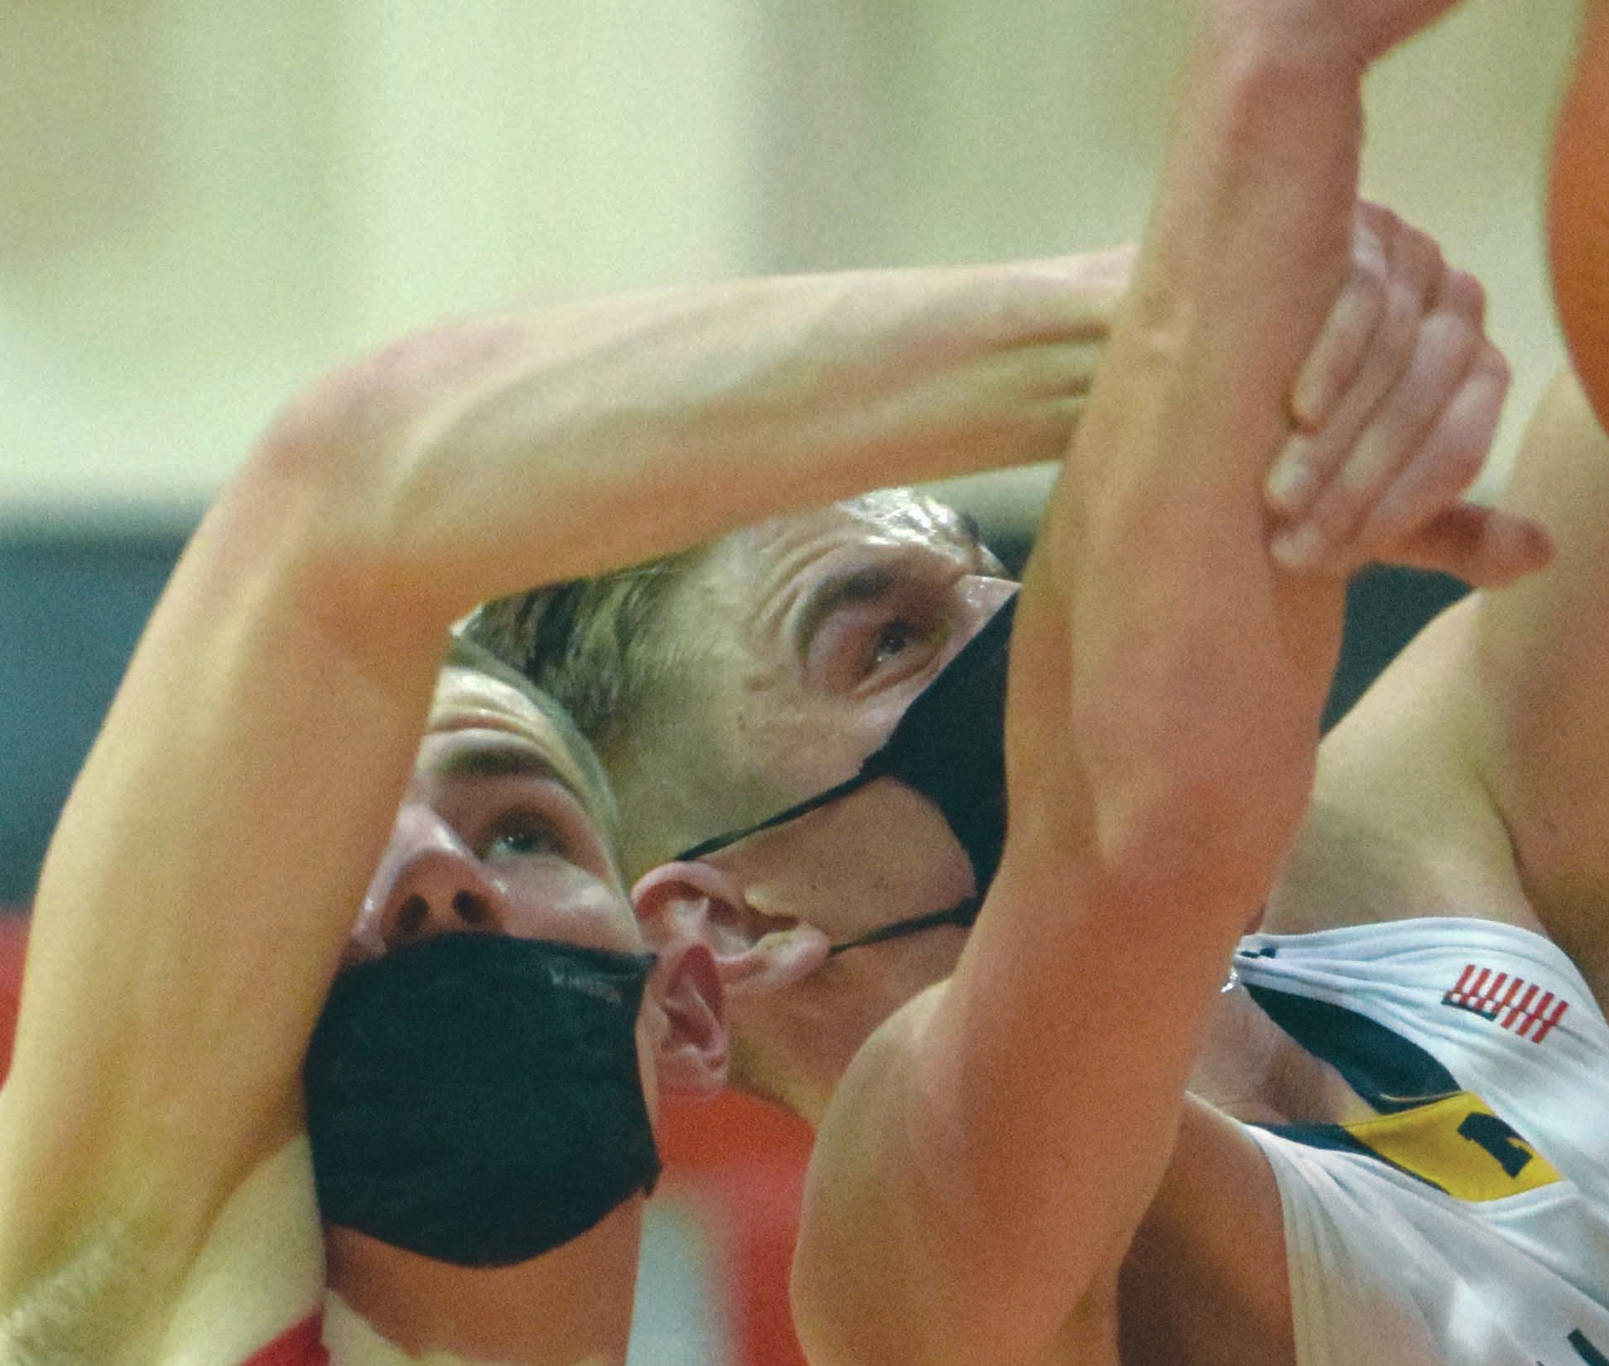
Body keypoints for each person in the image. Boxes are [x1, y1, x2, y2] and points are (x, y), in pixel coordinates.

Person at [468, 0, 1609, 1362]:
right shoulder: (914, 1242)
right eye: (884, 639)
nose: (1010, 619)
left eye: (978, 565)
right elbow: (1142, 822)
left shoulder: (1399, 863)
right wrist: (1274, 84)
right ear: (727, 916)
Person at [0, 253, 1136, 1363]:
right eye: (338, 858)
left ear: (682, 1011)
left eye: (522, 831)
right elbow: (348, 478)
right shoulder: (115, 1295)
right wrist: (1164, 327)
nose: (439, 876)